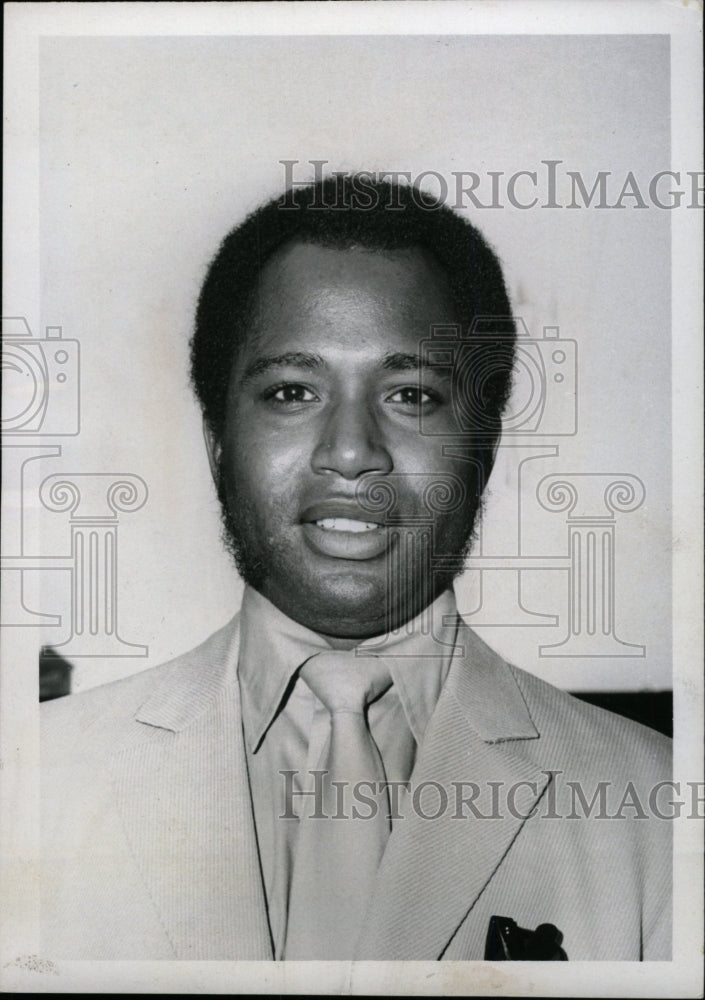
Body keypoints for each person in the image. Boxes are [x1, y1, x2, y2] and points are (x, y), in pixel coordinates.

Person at [41, 177, 671, 961]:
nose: (350, 452)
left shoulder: (655, 811)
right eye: (291, 390)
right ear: (216, 441)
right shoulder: (31, 783)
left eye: (410, 395)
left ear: (483, 449)